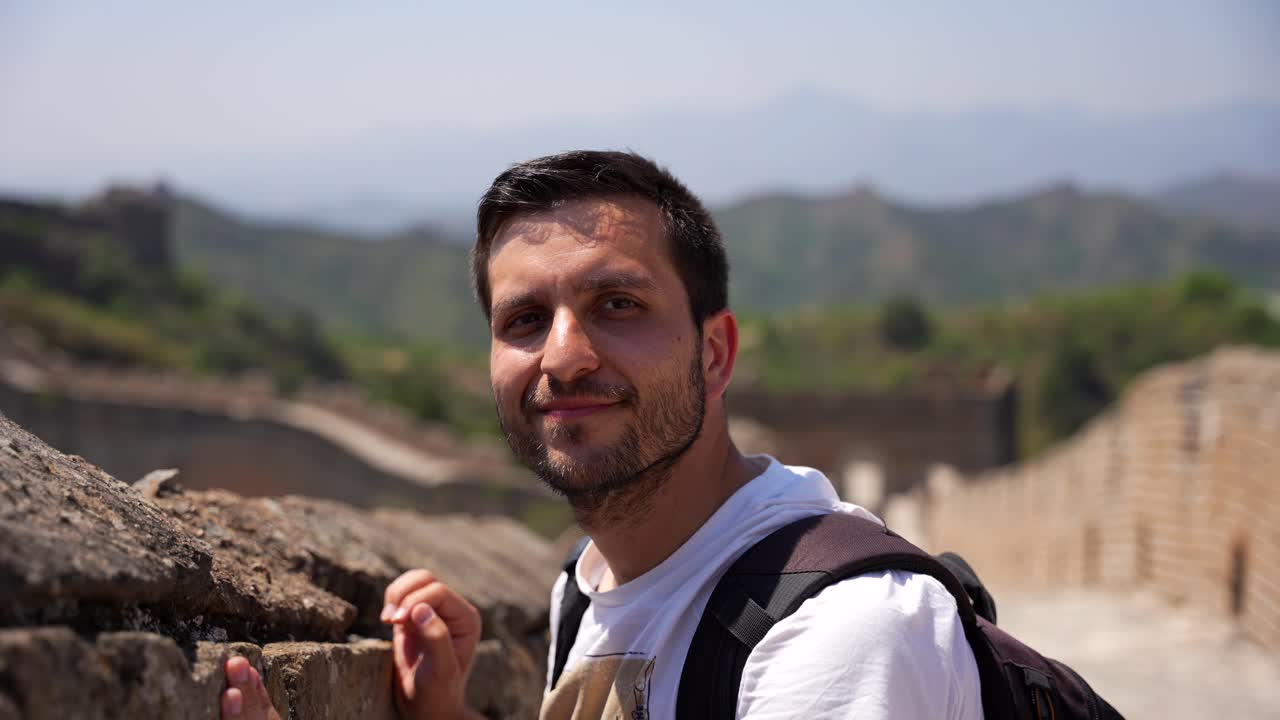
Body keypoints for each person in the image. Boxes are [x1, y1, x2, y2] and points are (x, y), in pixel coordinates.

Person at [219, 151, 983, 719]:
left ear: (713, 354)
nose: (563, 356)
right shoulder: (588, 589)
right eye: (523, 321)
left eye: (617, 304)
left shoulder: (843, 634)